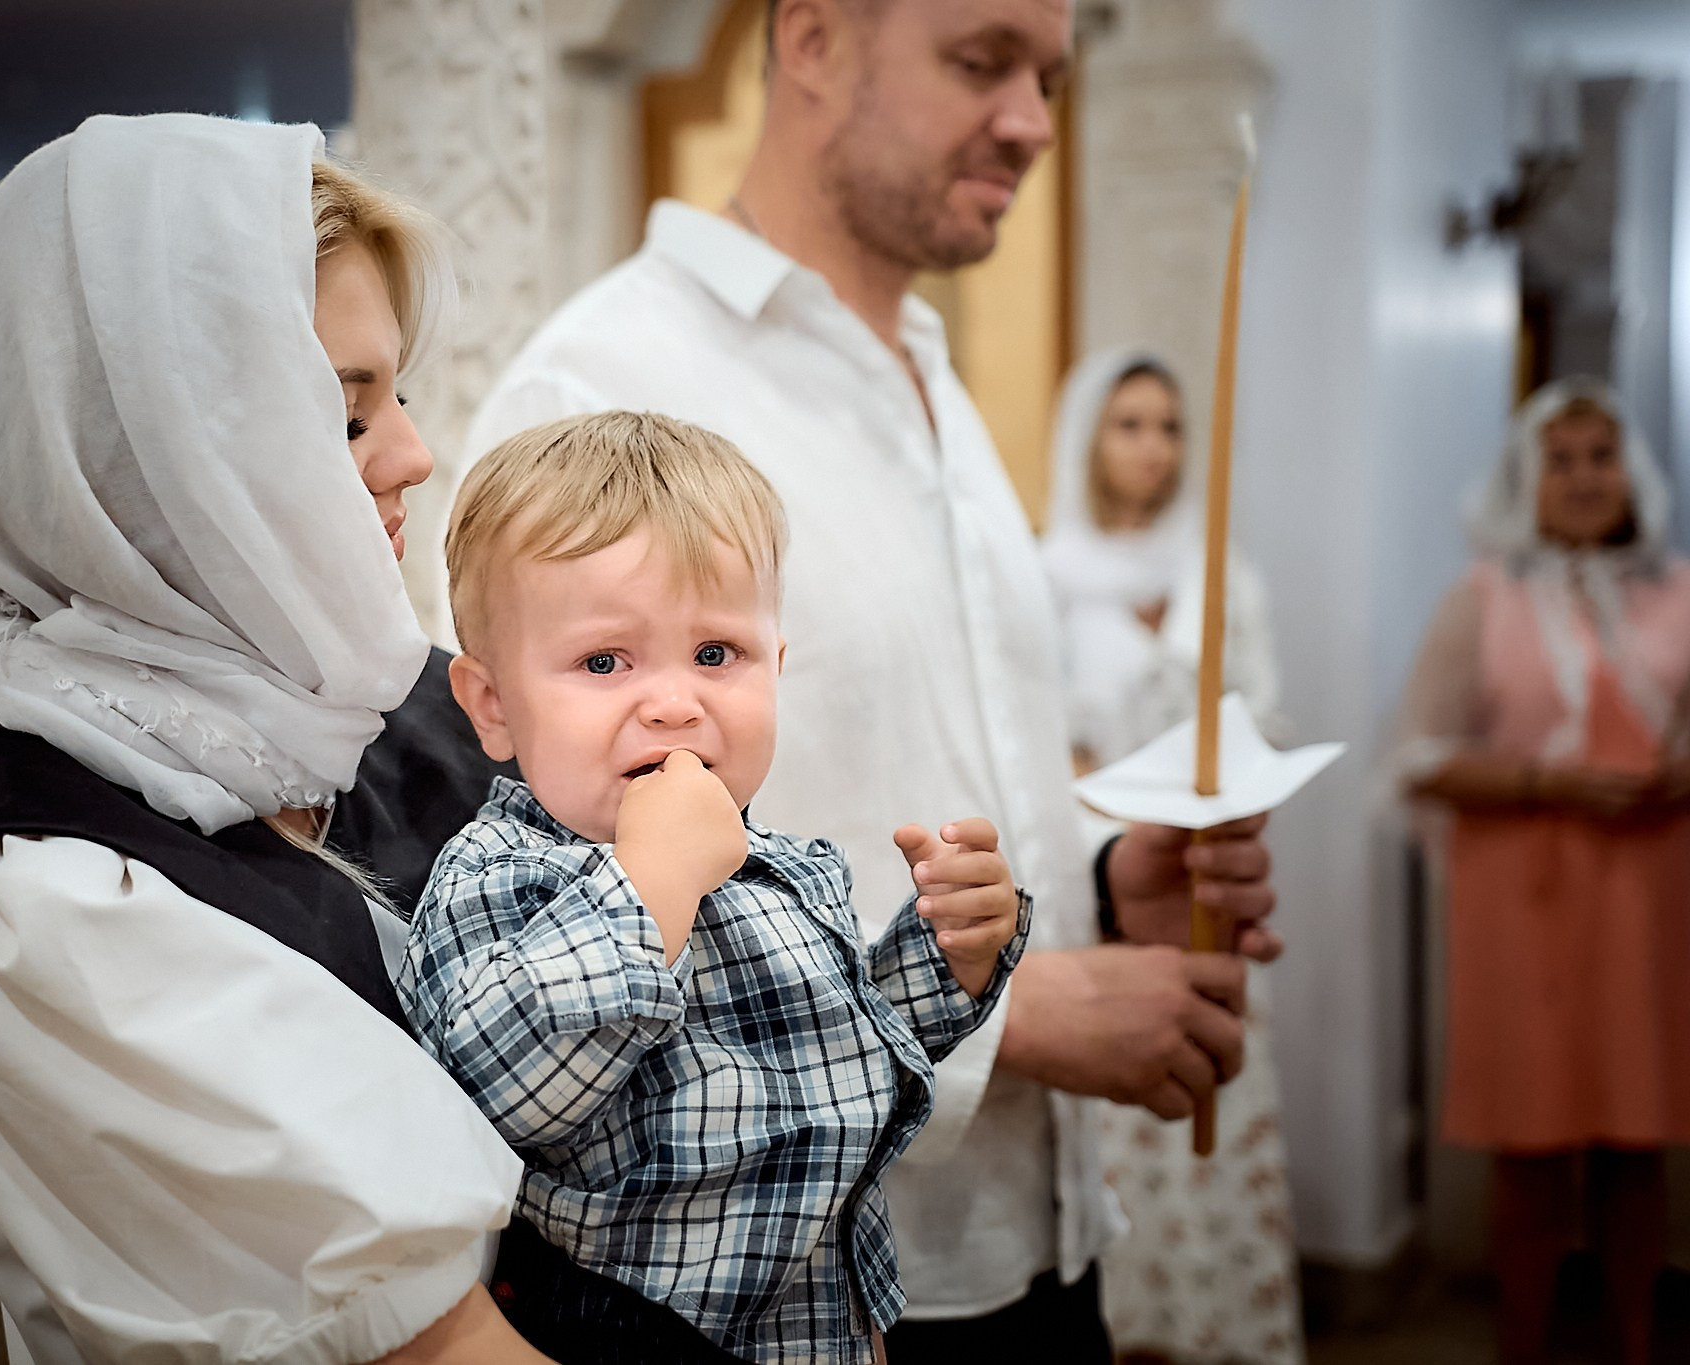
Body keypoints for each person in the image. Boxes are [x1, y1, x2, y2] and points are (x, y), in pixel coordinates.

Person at [456, 1, 1283, 1357]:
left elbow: (937, 755)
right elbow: (537, 937)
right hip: (782, 1303)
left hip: (1047, 1239)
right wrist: (1013, 1018)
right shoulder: (601, 384)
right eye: (981, 60)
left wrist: (1101, 879)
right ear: (814, 39)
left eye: (1048, 76)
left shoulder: (934, 384)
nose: (1031, 121)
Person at [0, 113, 555, 1364]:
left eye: (397, 399)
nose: (415, 455)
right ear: (144, 466)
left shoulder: (401, 702)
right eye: (343, 418)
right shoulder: (46, 894)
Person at [400, 411, 1029, 1364]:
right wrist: (651, 881)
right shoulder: (499, 876)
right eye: (604, 662)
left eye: (715, 655)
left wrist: (949, 953)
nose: (674, 703)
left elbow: (841, 1054)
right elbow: (501, 1090)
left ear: (775, 666)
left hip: (827, 1327)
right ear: (493, 706)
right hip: (633, 1332)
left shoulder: (784, 865)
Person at [1400, 377, 1690, 1365]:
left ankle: (1635, 1338)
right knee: (1530, 1145)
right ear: (1525, 479)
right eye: (1558, 460)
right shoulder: (1481, 597)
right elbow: (1419, 757)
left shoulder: (1678, 589)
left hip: (1644, 894)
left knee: (1635, 1140)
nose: (1582, 478)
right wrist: (1547, 780)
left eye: (1600, 457)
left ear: (1632, 472)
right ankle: (1521, 1341)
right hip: (1519, 899)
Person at [1041, 349, 1302, 1365]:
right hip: (1106, 881)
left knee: (1213, 1096)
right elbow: (1038, 744)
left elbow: (1263, 713)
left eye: (1169, 426)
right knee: (1122, 1116)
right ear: (1087, 438)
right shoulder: (1046, 577)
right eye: (1129, 424)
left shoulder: (1218, 572)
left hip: (1205, 875)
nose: (1153, 447)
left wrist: (1221, 787)